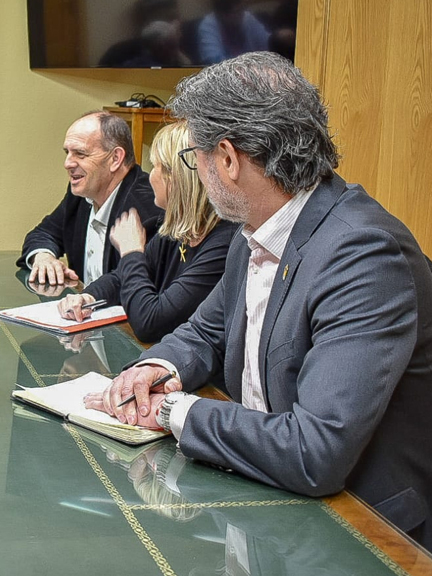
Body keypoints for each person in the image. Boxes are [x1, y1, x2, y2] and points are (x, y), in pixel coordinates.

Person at [89, 52, 432, 549]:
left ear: (226, 159)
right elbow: (207, 330)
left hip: (360, 534)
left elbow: (316, 450)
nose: (198, 174)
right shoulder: (253, 230)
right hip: (266, 505)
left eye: (196, 158)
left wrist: (171, 412)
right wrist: (158, 368)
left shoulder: (363, 254)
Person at [56, 121, 236, 343]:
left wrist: (131, 252)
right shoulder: (177, 229)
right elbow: (120, 278)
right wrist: (88, 297)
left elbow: (149, 323)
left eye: (157, 167)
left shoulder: (223, 243)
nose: (150, 177)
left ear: (179, 177)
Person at [20, 111, 164, 285]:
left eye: (80, 154)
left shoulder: (148, 207)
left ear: (115, 158)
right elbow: (44, 233)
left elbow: (132, 285)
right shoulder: (84, 193)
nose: (68, 163)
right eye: (67, 152)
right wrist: (43, 257)